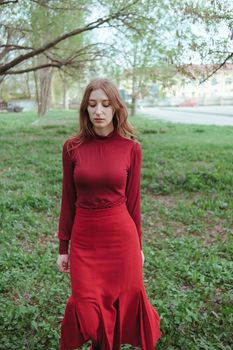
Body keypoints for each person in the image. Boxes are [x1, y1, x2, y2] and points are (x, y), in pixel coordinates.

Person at [56, 78, 161, 350]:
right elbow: (68, 199)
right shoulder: (72, 147)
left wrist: (139, 246)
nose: (98, 111)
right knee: (88, 311)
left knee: (126, 300)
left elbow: (134, 203)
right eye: (92, 105)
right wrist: (62, 247)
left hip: (120, 239)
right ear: (85, 109)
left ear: (116, 108)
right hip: (84, 240)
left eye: (105, 104)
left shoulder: (131, 148)